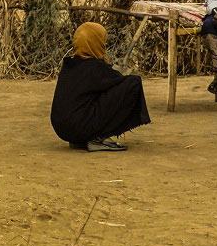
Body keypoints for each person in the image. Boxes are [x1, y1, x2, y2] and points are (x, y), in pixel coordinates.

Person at [49, 22, 151, 152]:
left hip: (63, 130)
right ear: (95, 42)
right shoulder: (94, 67)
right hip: (79, 127)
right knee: (133, 83)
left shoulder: (69, 65)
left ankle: (81, 140)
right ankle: (97, 138)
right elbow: (120, 82)